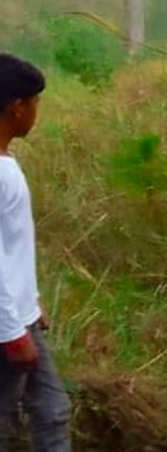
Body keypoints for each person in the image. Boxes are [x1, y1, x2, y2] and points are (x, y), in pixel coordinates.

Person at [0, 54, 70, 452]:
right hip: (6, 326)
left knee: (53, 410)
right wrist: (11, 333)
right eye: (35, 103)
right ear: (17, 108)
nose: (36, 113)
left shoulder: (7, 164)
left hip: (19, 316)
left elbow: (10, 248)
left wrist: (31, 300)